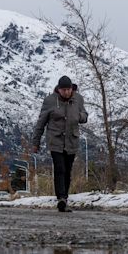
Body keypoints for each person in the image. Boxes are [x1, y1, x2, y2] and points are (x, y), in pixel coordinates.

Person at [32, 76, 88, 212]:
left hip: (71, 140)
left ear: (72, 89)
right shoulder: (50, 101)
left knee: (68, 170)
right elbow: (41, 123)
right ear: (59, 90)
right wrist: (36, 142)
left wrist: (79, 117)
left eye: (68, 89)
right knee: (60, 168)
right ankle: (61, 198)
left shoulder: (78, 99)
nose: (66, 92)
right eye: (64, 90)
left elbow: (84, 116)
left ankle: (65, 198)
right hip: (55, 140)